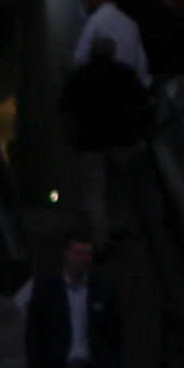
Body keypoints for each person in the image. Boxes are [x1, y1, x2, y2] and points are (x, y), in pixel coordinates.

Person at [60, 37, 151, 254]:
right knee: (119, 188)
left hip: (90, 142)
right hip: (121, 141)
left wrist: (72, 137)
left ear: (92, 53)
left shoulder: (80, 76)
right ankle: (117, 228)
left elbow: (64, 110)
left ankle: (100, 239)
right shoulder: (124, 74)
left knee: (94, 192)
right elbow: (141, 105)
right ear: (113, 53)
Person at [25, 234, 120, 368]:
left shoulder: (103, 291)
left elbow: (113, 336)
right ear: (66, 254)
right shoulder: (47, 290)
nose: (83, 258)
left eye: (87, 254)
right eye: (78, 253)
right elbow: (34, 335)